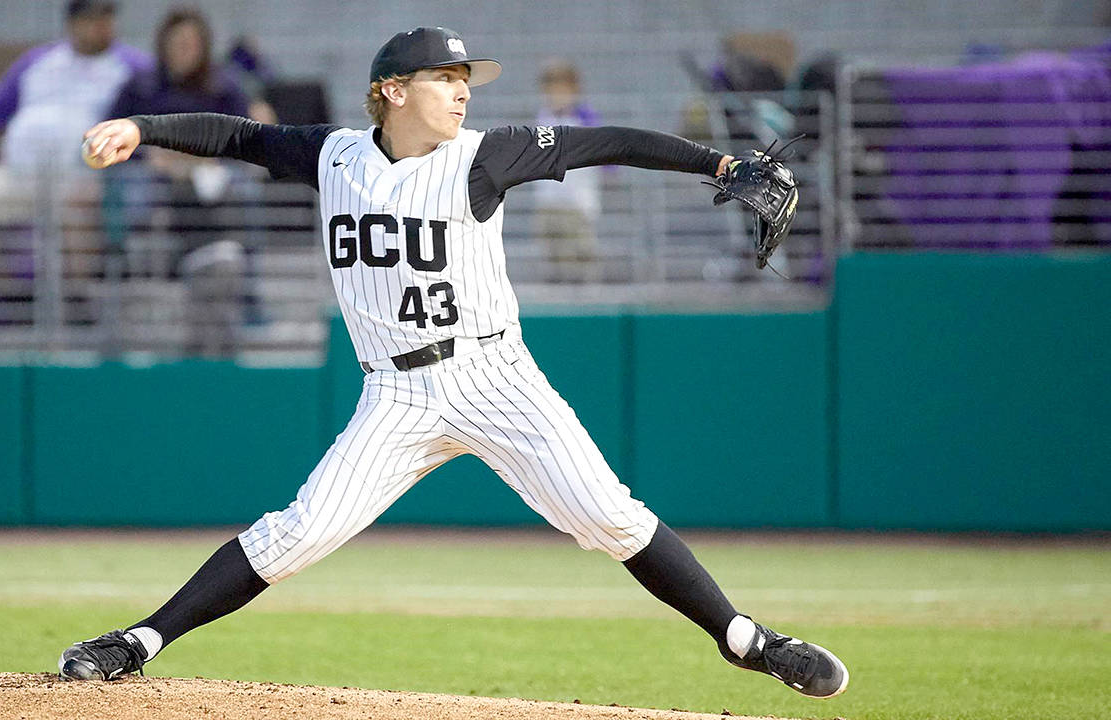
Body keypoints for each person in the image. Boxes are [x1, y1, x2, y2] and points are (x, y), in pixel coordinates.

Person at [59, 27, 849, 701]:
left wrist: (719, 167)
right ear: (392, 91)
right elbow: (235, 136)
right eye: (445, 78)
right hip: (397, 393)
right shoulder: (331, 155)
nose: (463, 91)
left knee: (610, 516)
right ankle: (138, 642)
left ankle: (747, 640)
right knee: (297, 534)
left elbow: (609, 141)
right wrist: (142, 126)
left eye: (466, 79)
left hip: (495, 378)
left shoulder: (484, 157)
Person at [0, 0, 151, 325]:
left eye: (107, 17)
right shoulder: (37, 61)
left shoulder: (135, 66)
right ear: (74, 23)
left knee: (78, 206)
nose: (102, 26)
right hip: (20, 176)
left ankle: (79, 307)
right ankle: (12, 299)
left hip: (85, 178)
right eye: (93, 19)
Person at [105, 5, 253, 356]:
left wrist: (204, 159)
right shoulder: (139, 87)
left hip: (211, 168)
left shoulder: (224, 87)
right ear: (162, 45)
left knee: (234, 185)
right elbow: (112, 133)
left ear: (203, 46)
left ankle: (247, 289)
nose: (183, 49)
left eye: (190, 42)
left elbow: (249, 141)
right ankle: (143, 271)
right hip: (152, 170)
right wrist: (152, 157)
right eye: (176, 42)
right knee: (136, 187)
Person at [532, 59, 604, 283]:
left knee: (580, 253)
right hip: (549, 200)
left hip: (577, 202)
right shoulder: (543, 117)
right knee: (553, 255)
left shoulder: (585, 117)